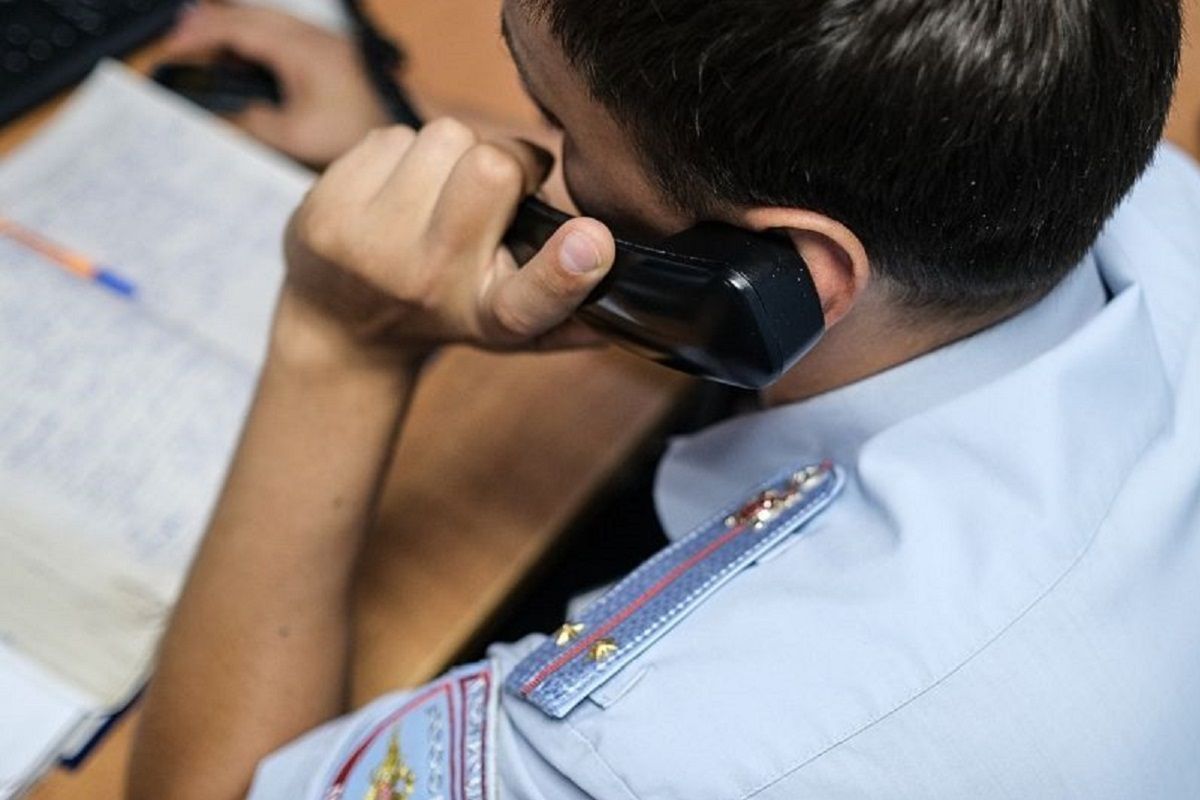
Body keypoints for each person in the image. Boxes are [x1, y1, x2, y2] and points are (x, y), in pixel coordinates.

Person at [126, 1, 1200, 798]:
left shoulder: (655, 745)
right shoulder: (1084, 147)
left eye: (555, 125)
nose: (539, 152)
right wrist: (420, 138)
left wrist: (341, 343)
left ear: (779, 276)